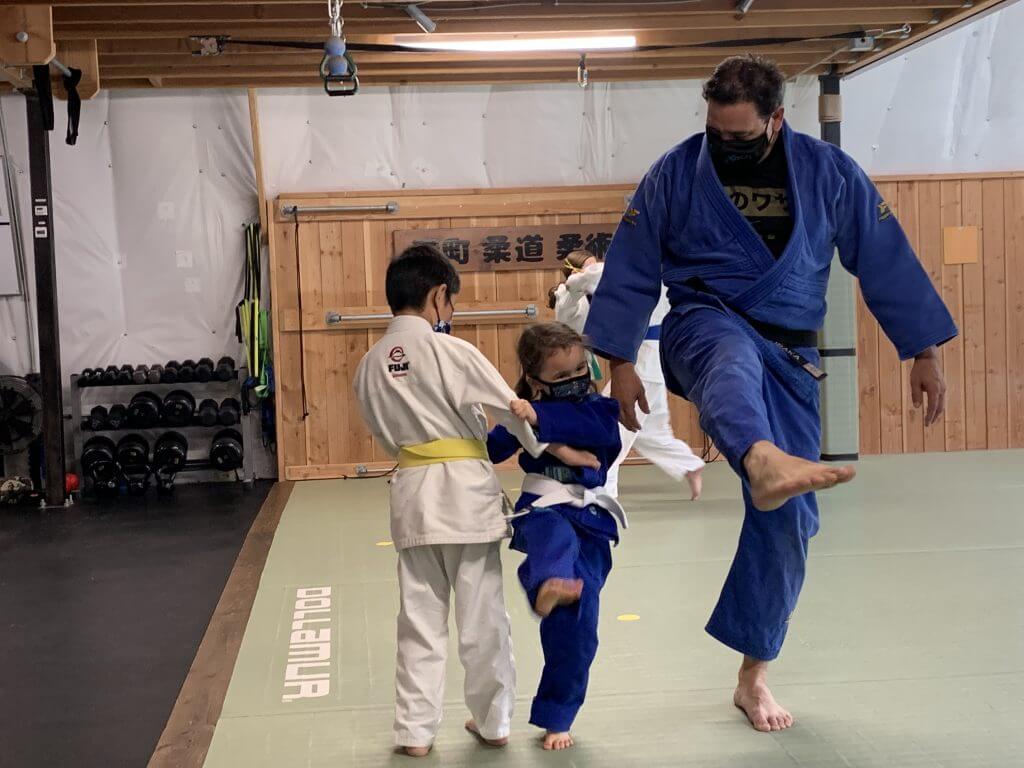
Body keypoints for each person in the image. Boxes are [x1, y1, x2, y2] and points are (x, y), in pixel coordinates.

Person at [584, 55, 957, 733]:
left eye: (741, 137)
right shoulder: (676, 171)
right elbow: (636, 264)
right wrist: (620, 363)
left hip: (791, 352)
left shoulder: (827, 172)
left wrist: (923, 350)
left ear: (776, 120)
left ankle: (753, 677)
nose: (726, 148)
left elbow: (882, 253)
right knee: (729, 362)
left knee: (789, 522)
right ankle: (759, 458)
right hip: (704, 323)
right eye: (716, 134)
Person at [353, 246, 596, 757]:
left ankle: (414, 734)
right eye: (452, 303)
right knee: (482, 617)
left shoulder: (369, 366)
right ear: (439, 296)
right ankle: (493, 722)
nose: (452, 313)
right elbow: (516, 413)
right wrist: (556, 448)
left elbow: (383, 435)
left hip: (413, 495)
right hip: (464, 493)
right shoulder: (452, 352)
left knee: (419, 619)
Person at [487, 322, 624, 752]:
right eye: (560, 376)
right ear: (534, 379)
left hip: (591, 517)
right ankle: (547, 585)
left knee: (578, 629)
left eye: (579, 371)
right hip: (545, 508)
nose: (574, 382)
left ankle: (558, 716)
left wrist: (541, 423)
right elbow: (492, 450)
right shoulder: (524, 411)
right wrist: (519, 421)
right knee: (554, 543)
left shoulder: (599, 410)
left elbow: (598, 433)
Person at [550, 249, 705, 499]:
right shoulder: (579, 301)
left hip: (645, 360)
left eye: (596, 264)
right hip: (640, 363)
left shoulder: (623, 280)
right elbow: (569, 320)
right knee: (649, 430)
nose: (596, 267)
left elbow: (598, 275)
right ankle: (689, 464)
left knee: (611, 433)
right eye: (589, 266)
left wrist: (576, 281)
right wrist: (569, 291)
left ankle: (603, 497)